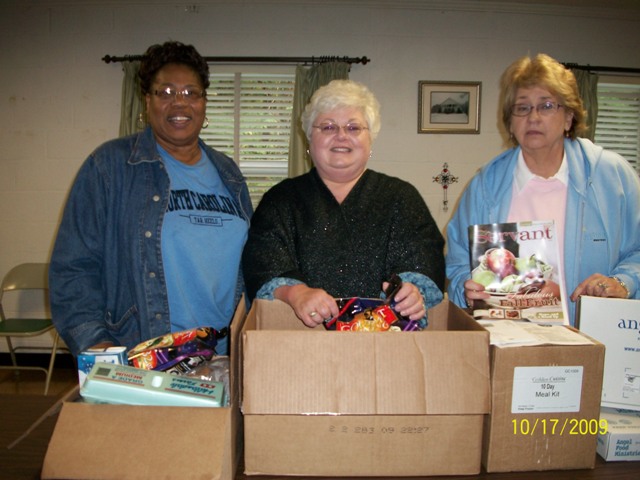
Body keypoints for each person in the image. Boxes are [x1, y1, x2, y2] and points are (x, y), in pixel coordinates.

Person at [49, 41, 252, 356]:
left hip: (223, 356)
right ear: (147, 101)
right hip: (144, 357)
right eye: (166, 92)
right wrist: (96, 346)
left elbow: (247, 266)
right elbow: (74, 266)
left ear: (204, 101)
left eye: (190, 93)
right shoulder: (110, 166)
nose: (179, 103)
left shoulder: (228, 173)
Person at [446, 53, 640, 325]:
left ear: (569, 117)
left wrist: (623, 282)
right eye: (522, 108)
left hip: (593, 338)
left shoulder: (612, 176)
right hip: (510, 343)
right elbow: (457, 266)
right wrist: (465, 288)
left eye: (547, 106)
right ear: (510, 122)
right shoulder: (484, 187)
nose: (533, 117)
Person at [242, 79, 445, 328]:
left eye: (353, 128)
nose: (341, 136)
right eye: (327, 127)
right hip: (298, 347)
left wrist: (413, 293)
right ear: (309, 139)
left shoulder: (401, 197)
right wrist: (295, 293)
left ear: (370, 140)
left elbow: (423, 261)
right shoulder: (280, 199)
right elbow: (262, 265)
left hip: (386, 346)